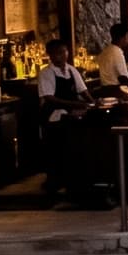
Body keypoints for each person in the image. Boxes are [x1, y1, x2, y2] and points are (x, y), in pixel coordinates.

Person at [36, 39, 92, 194]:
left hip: (71, 114)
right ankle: (54, 180)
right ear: (51, 55)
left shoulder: (72, 70)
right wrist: (73, 104)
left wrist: (93, 103)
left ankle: (71, 179)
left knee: (71, 148)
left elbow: (83, 90)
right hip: (53, 116)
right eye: (58, 52)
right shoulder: (46, 73)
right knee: (55, 150)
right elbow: (49, 97)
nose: (63, 55)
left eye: (64, 51)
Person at [95, 22, 128, 89]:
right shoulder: (117, 53)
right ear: (122, 38)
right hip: (115, 90)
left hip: (104, 89)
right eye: (127, 37)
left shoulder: (105, 51)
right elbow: (124, 78)